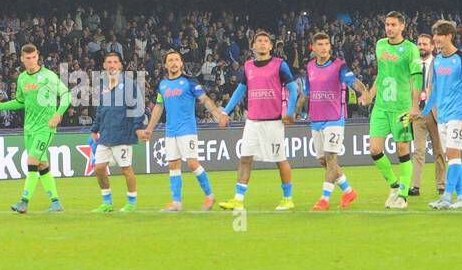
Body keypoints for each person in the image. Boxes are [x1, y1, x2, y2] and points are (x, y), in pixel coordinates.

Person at [218, 30, 298, 211]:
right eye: (259, 41)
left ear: (270, 46)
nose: (262, 43)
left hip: (274, 121)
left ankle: (288, 198)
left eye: (266, 41)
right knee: (245, 158)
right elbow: (240, 90)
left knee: (280, 160)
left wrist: (290, 112)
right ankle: (238, 200)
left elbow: (293, 89)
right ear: (253, 46)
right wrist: (225, 111)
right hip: (252, 121)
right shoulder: (248, 66)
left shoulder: (280, 65)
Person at [139, 50, 226, 211]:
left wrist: (217, 114)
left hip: (187, 130)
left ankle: (209, 196)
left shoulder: (189, 82)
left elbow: (205, 99)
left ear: (181, 63)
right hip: (170, 131)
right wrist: (149, 129)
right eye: (170, 60)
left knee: (192, 163)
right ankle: (176, 202)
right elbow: (159, 107)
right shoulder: (163, 85)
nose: (173, 62)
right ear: (165, 65)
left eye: (176, 59)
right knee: (173, 165)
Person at [0, 44, 71, 214]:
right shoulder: (22, 78)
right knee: (42, 164)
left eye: (34, 57)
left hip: (45, 127)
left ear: (38, 56)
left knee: (32, 161)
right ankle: (56, 202)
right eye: (27, 58)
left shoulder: (49, 76)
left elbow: (66, 94)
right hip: (29, 129)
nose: (31, 61)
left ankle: (24, 201)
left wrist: (59, 114)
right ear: (22, 59)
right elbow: (20, 102)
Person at [361, 11, 423, 210]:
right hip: (381, 106)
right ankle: (394, 185)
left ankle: (403, 195)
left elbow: (416, 78)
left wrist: (414, 106)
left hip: (401, 108)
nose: (389, 28)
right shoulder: (380, 45)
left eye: (393, 24)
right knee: (374, 149)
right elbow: (381, 75)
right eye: (387, 24)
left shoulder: (411, 49)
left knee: (402, 150)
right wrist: (370, 94)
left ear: (402, 26)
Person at [299, 32, 366, 210]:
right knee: (324, 160)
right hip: (316, 119)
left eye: (326, 44)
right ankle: (348, 190)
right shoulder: (310, 67)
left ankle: (324, 199)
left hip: (334, 119)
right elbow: (306, 92)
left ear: (330, 46)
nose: (324, 48)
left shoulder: (339, 65)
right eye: (320, 44)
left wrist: (364, 92)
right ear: (313, 47)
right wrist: (294, 111)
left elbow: (353, 81)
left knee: (330, 157)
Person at [418, 21, 462, 209]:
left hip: (458, 115)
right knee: (453, 157)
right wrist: (424, 112)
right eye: (434, 36)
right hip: (442, 116)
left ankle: (447, 197)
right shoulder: (438, 61)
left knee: (453, 153)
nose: (435, 39)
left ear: (449, 36)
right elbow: (434, 90)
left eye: (439, 35)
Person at [89, 52, 146, 213]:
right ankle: (107, 201)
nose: (112, 65)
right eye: (109, 62)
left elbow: (138, 108)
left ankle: (131, 201)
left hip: (123, 134)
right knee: (99, 168)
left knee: (126, 168)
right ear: (104, 66)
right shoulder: (103, 87)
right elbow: (101, 110)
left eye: (115, 62)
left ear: (120, 65)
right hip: (105, 135)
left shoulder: (129, 85)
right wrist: (94, 129)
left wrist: (137, 128)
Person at [411, 32, 447, 198]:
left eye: (425, 44)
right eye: (419, 44)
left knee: (438, 150)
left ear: (432, 47)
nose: (421, 47)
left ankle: (441, 184)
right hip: (418, 111)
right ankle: (415, 186)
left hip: (435, 111)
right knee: (418, 151)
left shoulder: (439, 63)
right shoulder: (413, 64)